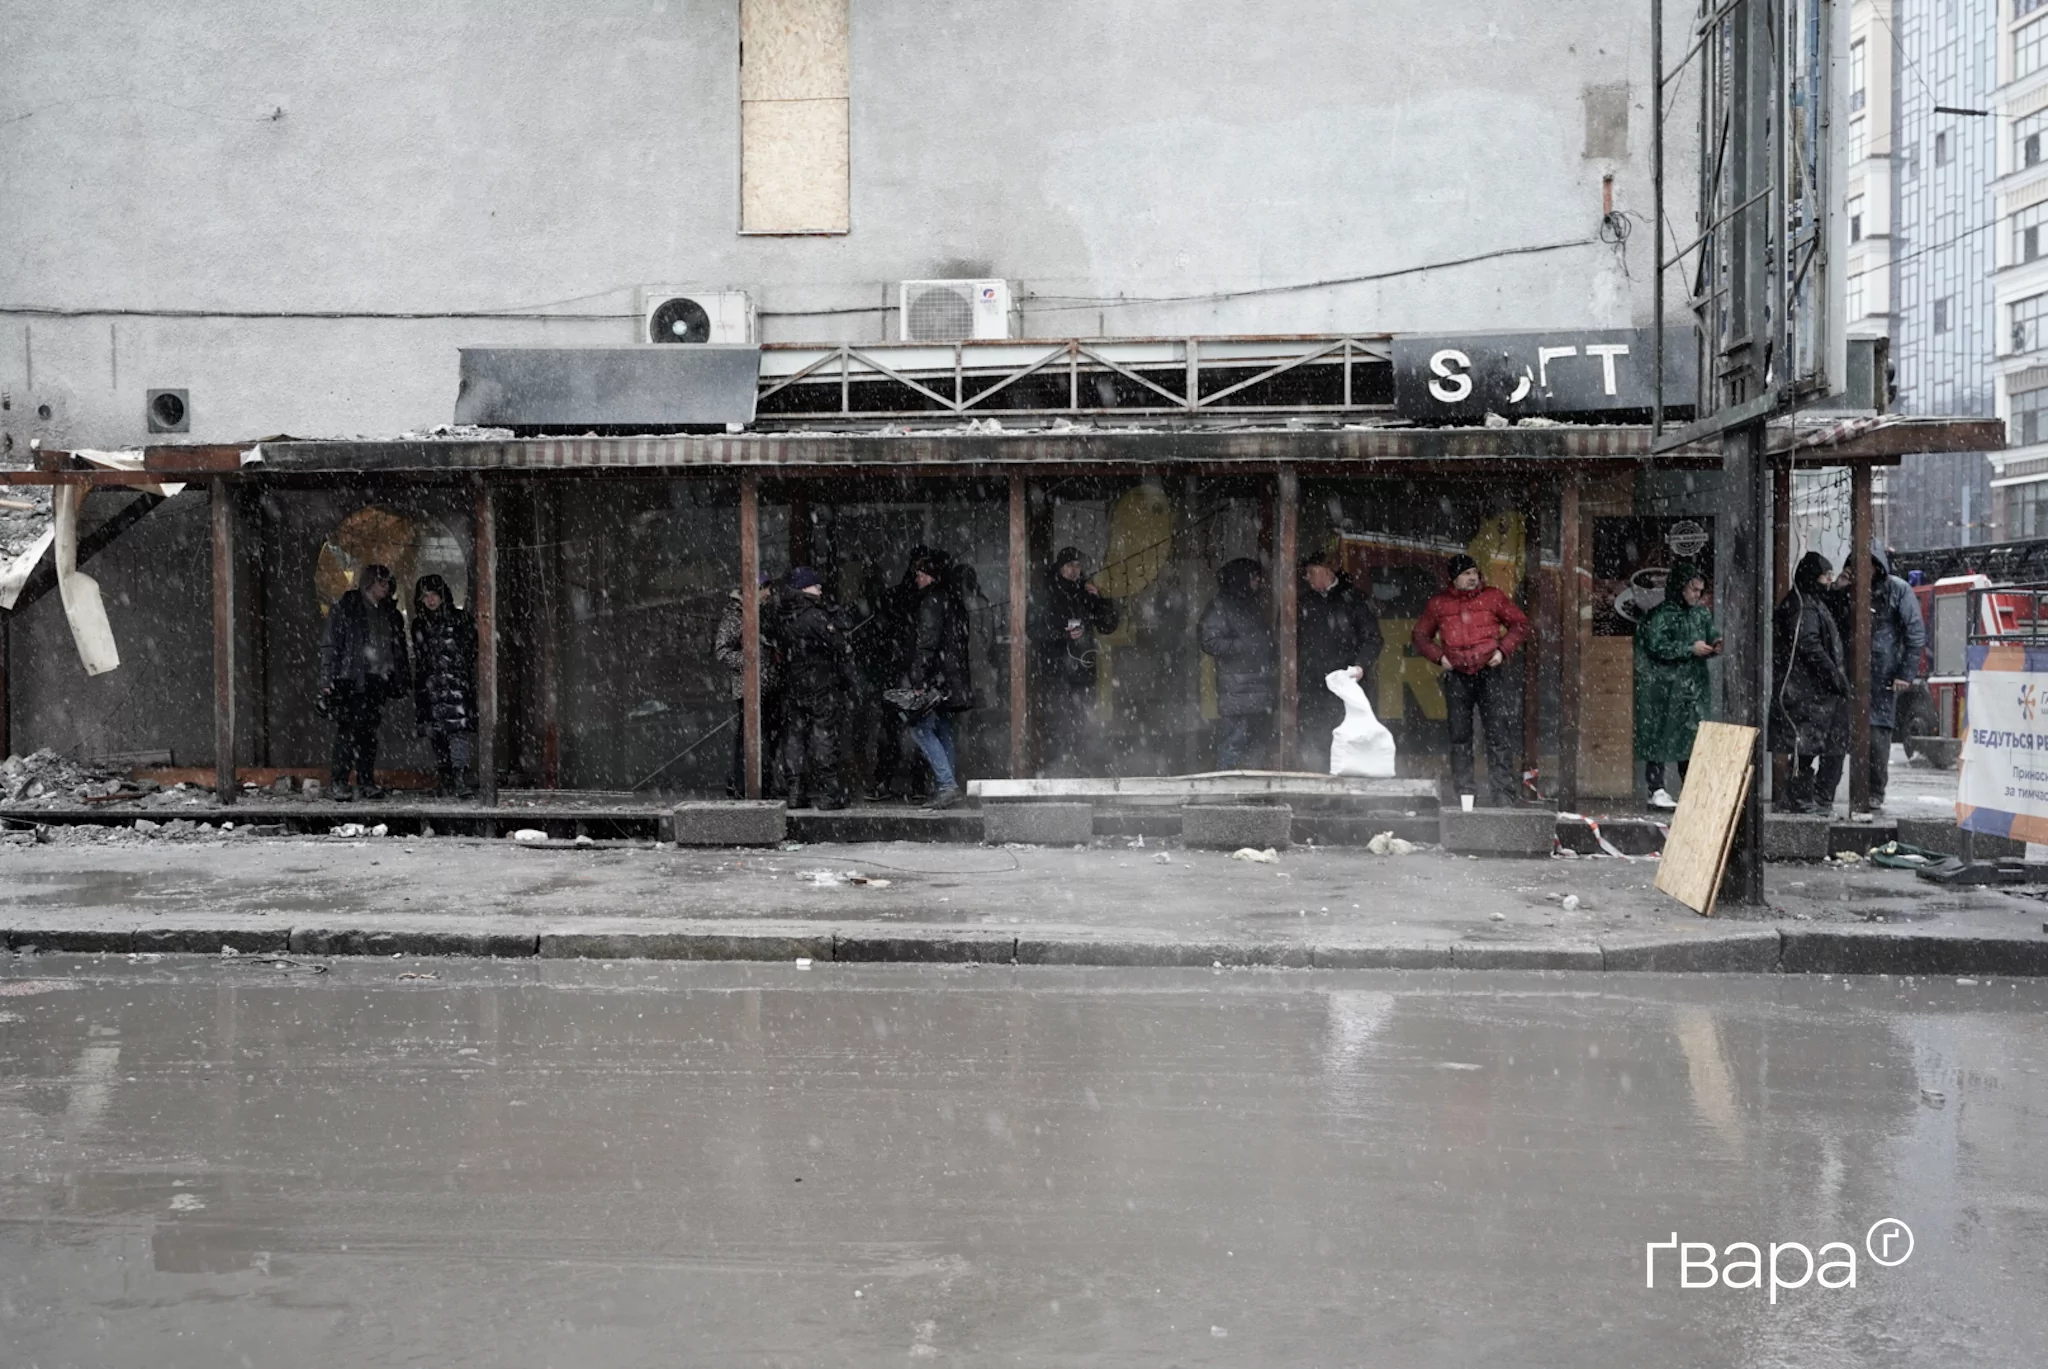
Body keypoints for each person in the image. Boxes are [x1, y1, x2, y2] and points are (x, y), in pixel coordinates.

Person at [1412, 553, 1531, 807]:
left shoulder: (1493, 597)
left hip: (1490, 672)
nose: (1472, 577)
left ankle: (1503, 796)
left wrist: (1503, 651)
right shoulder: (1438, 604)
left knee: (1498, 735)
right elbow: (1420, 636)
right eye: (1466, 574)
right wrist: (1439, 657)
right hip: (1456, 675)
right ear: (1454, 578)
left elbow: (1520, 624)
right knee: (1460, 737)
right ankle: (1465, 795)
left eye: (1474, 572)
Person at [1825, 545, 1927, 812]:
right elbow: (1829, 621)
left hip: (1881, 675)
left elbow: (1914, 635)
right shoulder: (1848, 590)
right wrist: (1837, 591)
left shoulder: (1897, 590)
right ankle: (1834, 791)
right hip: (1848, 675)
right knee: (1842, 733)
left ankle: (1873, 791)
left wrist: (1904, 674)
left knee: (1877, 735)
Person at [317, 563, 410, 801]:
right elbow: (331, 645)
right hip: (351, 679)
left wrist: (398, 677)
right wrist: (328, 679)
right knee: (348, 732)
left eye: (388, 583)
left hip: (376, 679)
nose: (386, 587)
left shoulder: (389, 612)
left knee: (368, 734)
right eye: (382, 582)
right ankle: (340, 781)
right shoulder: (347, 608)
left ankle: (365, 780)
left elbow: (396, 648)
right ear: (370, 583)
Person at [1632, 562, 1720, 810]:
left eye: (1700, 591)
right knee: (1658, 733)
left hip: (1691, 687)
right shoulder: (1660, 616)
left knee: (1689, 736)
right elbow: (1656, 646)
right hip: (1664, 687)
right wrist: (1689, 649)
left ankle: (1690, 787)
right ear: (1680, 588)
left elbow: (1710, 631)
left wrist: (1715, 642)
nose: (1697, 595)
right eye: (1693, 589)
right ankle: (1656, 788)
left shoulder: (1700, 613)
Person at [1771, 552, 1852, 815]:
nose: (1829, 581)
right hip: (1810, 691)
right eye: (1825, 576)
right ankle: (1808, 798)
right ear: (1812, 578)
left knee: (1816, 746)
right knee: (1811, 747)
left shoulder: (1807, 602)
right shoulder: (1804, 607)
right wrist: (1834, 675)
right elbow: (1809, 645)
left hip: (1811, 689)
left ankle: (1810, 798)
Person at [1033, 547, 1121, 775]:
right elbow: (1034, 630)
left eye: (1078, 565)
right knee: (1059, 721)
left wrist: (1099, 600)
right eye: (1070, 565)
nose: (1074, 570)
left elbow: (1109, 625)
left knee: (1083, 722)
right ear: (1060, 567)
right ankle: (1058, 769)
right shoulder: (1047, 594)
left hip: (1083, 668)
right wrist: (1062, 635)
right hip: (1057, 669)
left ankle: (1082, 768)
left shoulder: (1084, 593)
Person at [775, 567, 857, 810]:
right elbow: (840, 646)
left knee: (794, 738)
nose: (820, 588)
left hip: (793, 683)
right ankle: (830, 793)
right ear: (803, 588)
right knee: (823, 734)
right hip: (820, 683)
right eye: (815, 585)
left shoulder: (783, 614)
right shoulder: (815, 616)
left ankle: (795, 791)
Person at [1296, 549, 1384, 773]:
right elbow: (1287, 642)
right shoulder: (1299, 603)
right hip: (1313, 684)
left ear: (1326, 571)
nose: (1306, 578)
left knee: (1349, 737)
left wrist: (1360, 666)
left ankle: (1350, 792)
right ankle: (1319, 790)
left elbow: (1372, 639)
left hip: (1348, 684)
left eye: (1310, 572)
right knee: (1316, 737)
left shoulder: (1355, 600)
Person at [904, 550, 974, 810]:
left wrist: (918, 677)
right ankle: (947, 786)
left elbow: (927, 643)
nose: (917, 580)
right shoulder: (954, 601)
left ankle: (946, 785)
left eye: (921, 575)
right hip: (951, 678)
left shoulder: (931, 602)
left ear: (931, 577)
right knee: (943, 729)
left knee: (919, 728)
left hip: (937, 678)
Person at [1198, 558, 1276, 770]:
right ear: (1241, 579)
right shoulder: (1221, 605)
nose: (1258, 581)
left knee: (1256, 745)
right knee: (1233, 744)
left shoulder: (1252, 603)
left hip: (1259, 688)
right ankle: (1227, 792)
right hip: (1237, 690)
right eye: (1253, 577)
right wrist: (1244, 645)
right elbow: (1209, 641)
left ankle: (1252, 793)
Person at [714, 575, 785, 798]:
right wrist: (750, 660)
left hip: (768, 685)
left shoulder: (762, 614)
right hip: (749, 687)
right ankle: (743, 783)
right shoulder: (736, 615)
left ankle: (756, 781)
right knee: (750, 737)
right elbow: (722, 651)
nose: (770, 594)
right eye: (766, 589)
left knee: (765, 737)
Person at [409, 574, 478, 798]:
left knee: (457, 733)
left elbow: (471, 649)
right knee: (437, 734)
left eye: (433, 595)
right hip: (430, 687)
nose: (430, 600)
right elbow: (421, 657)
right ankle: (446, 778)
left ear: (442, 595)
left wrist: (455, 670)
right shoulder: (419, 623)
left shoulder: (460, 619)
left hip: (454, 684)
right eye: (425, 596)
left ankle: (459, 777)